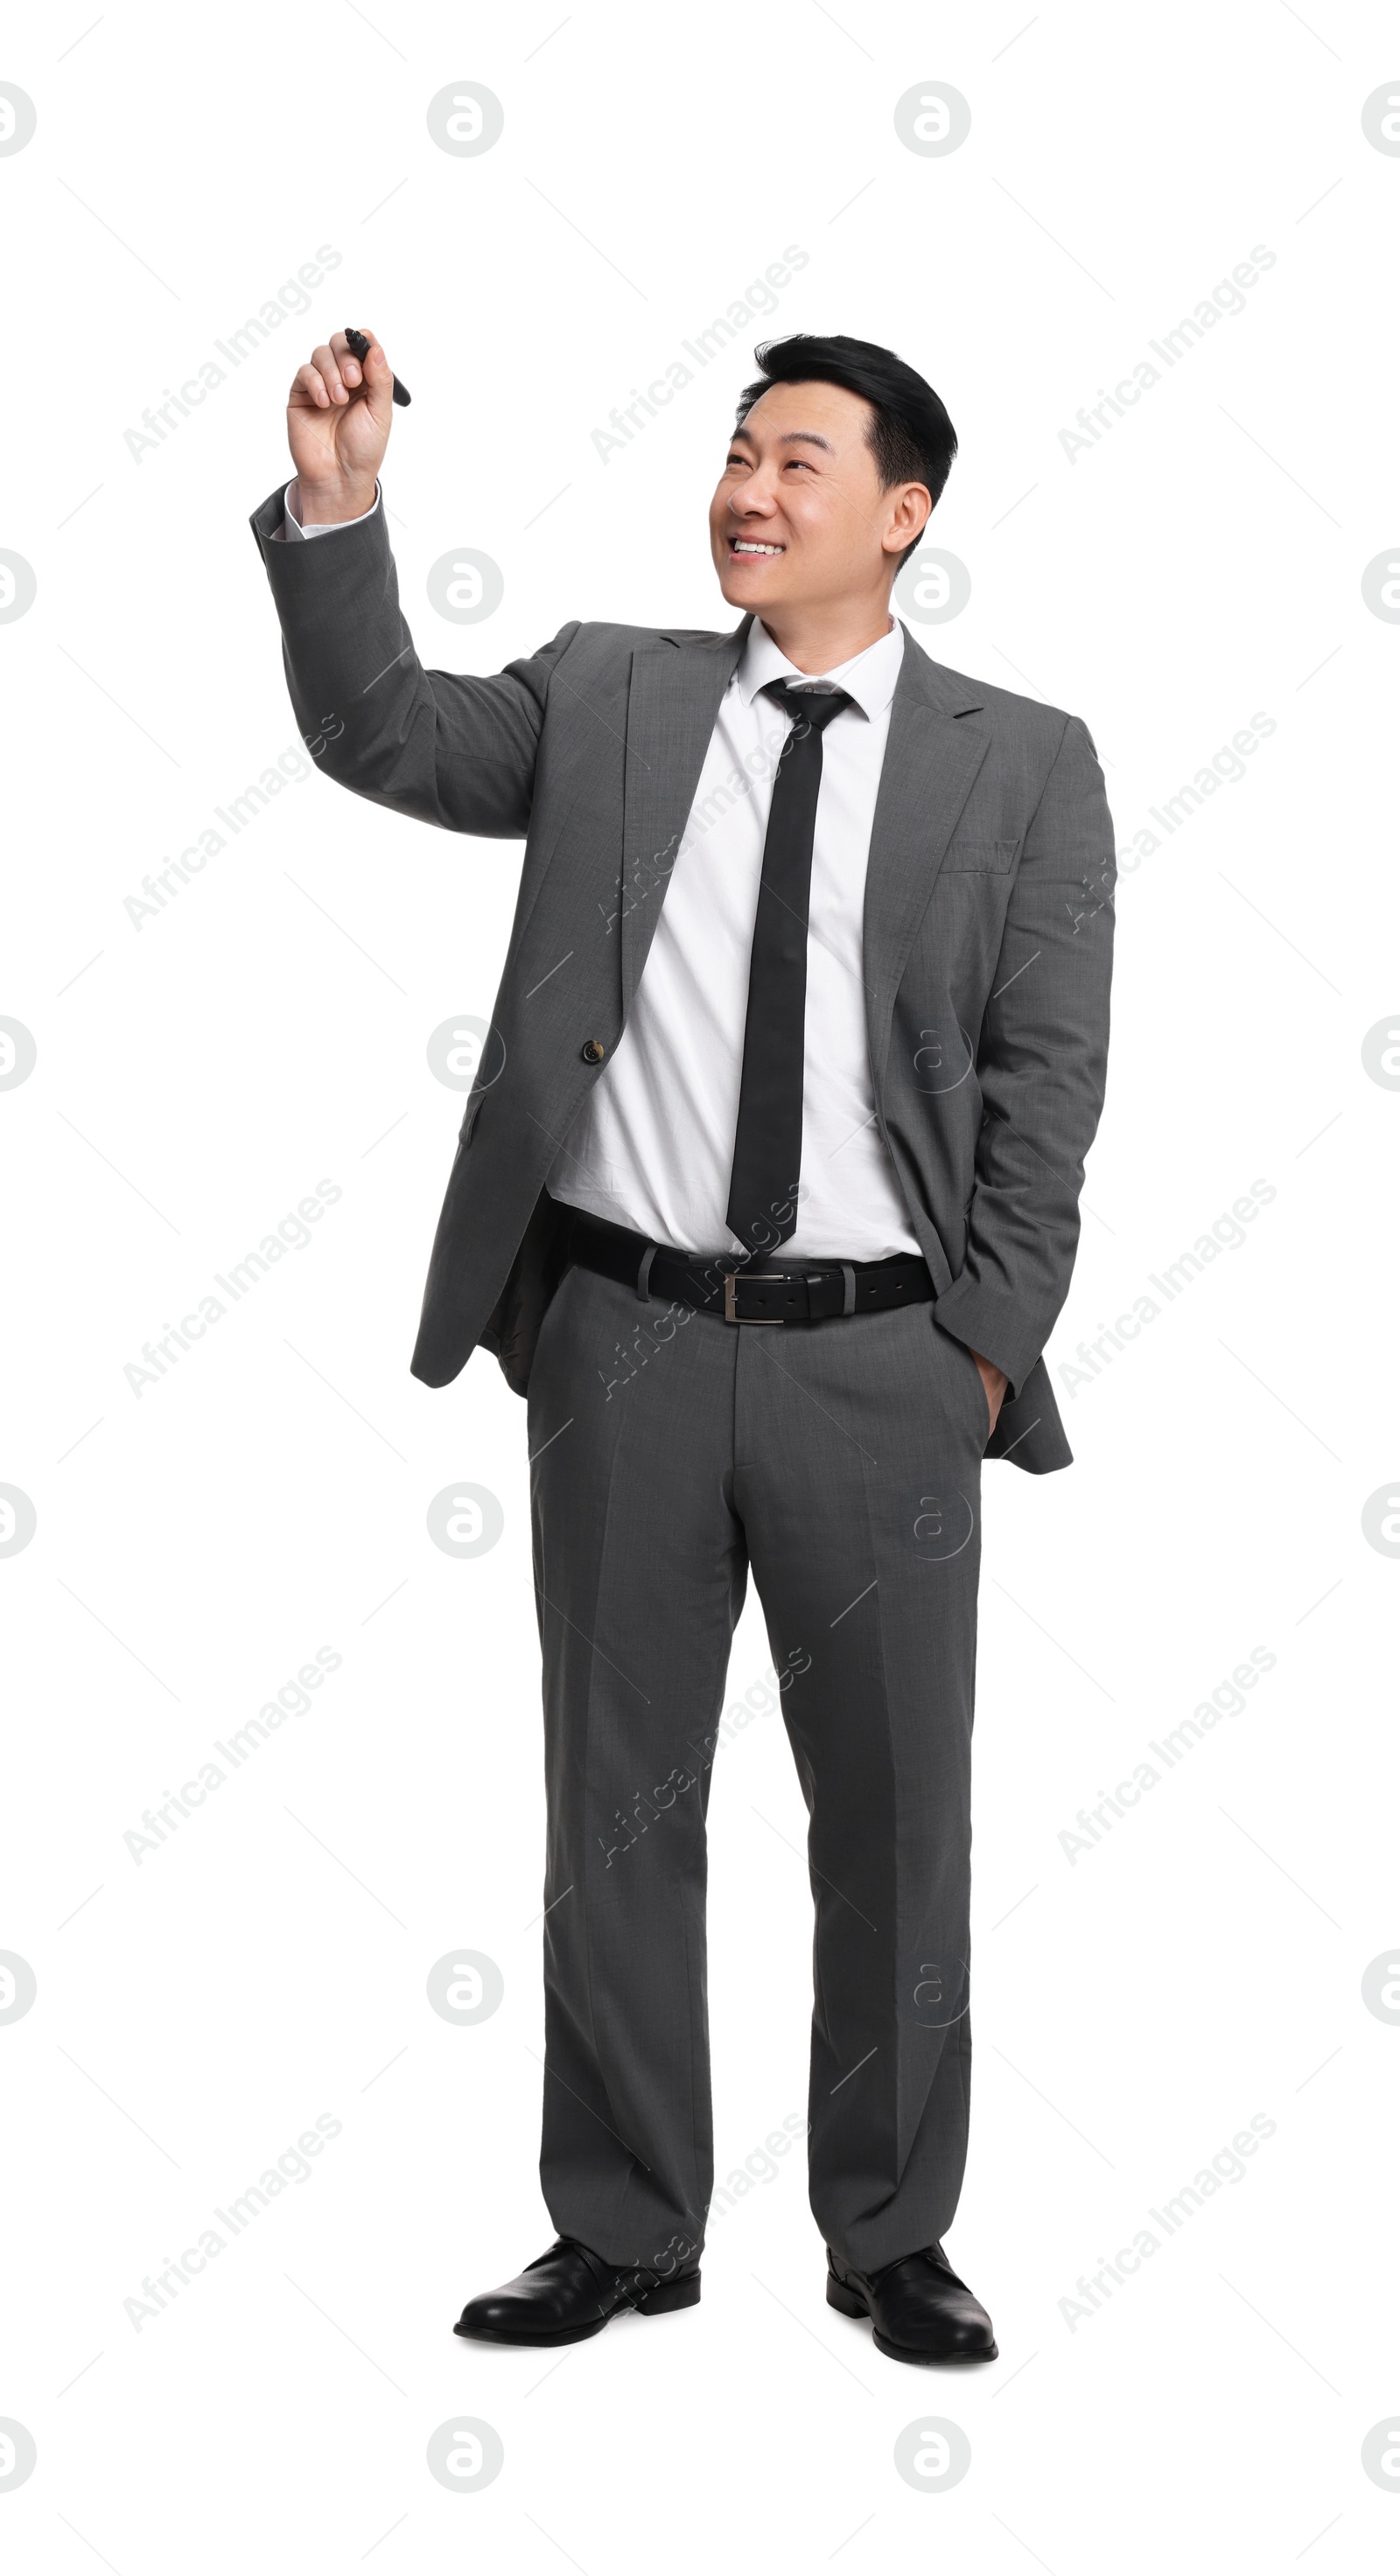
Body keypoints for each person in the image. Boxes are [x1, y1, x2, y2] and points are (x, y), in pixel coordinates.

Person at [250, 327, 1115, 2366]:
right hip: (622, 1341)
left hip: (880, 1366)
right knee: (613, 1804)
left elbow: (1043, 1082)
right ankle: (625, 2223)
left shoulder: (1023, 758)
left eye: (797, 460)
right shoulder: (610, 696)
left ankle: (887, 2231)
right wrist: (341, 497)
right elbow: (376, 731)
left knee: (894, 1819)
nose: (746, 486)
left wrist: (977, 1349)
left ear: (899, 517)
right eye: (735, 451)